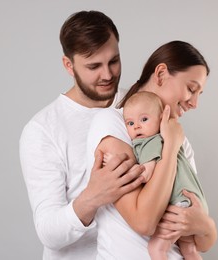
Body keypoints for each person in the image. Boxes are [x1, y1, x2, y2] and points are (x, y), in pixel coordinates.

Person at [19, 10, 146, 260]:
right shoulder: (42, 129)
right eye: (93, 66)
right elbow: (48, 232)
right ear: (69, 65)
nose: (107, 75)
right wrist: (94, 196)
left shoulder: (140, 105)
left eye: (114, 61)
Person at [86, 40, 217, 259]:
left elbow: (202, 242)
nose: (194, 103)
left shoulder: (180, 140)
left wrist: (206, 226)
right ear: (161, 74)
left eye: (198, 94)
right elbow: (144, 221)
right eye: (191, 89)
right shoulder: (114, 125)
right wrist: (171, 147)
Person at [121, 91, 208, 259]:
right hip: (194, 202)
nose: (137, 126)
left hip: (178, 204)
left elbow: (145, 174)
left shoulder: (149, 142)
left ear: (161, 120)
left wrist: (121, 165)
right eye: (130, 123)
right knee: (189, 249)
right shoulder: (171, 140)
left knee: (156, 249)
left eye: (144, 119)